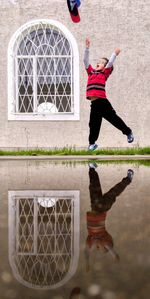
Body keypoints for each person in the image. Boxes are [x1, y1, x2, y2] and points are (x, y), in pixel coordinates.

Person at [83, 38, 134, 151]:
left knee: (114, 119)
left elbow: (110, 63)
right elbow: (85, 61)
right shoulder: (91, 72)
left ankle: (128, 132)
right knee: (93, 124)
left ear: (105, 67)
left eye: (101, 63)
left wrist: (114, 54)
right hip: (94, 104)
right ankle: (92, 144)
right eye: (98, 62)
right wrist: (87, 48)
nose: (98, 63)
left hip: (103, 102)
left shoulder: (104, 73)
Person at [85, 163, 134, 271]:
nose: (98, 247)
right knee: (113, 193)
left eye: (98, 248)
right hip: (102, 209)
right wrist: (113, 255)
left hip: (94, 208)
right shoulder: (103, 238)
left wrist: (88, 263)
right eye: (101, 248)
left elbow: (88, 251)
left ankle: (92, 169)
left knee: (94, 187)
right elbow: (108, 247)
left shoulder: (91, 241)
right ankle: (128, 179)